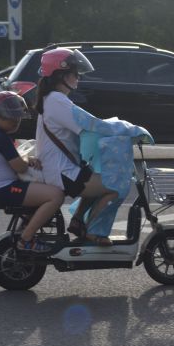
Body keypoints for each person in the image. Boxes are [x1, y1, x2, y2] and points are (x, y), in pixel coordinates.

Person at [35, 48, 119, 246]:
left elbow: (88, 122)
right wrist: (126, 130)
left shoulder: (54, 99)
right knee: (114, 186)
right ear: (61, 74)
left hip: (60, 168)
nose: (78, 77)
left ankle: (78, 221)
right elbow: (90, 124)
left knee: (96, 175)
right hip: (61, 172)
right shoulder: (57, 100)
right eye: (75, 73)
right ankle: (91, 231)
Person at [0, 91, 64, 254]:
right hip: (6, 189)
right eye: (9, 118)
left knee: (45, 195)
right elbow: (20, 168)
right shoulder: (0, 137)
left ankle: (21, 233)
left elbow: (15, 162)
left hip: (2, 187)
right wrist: (28, 160)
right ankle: (25, 240)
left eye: (17, 117)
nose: (15, 121)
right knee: (56, 195)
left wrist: (26, 159)